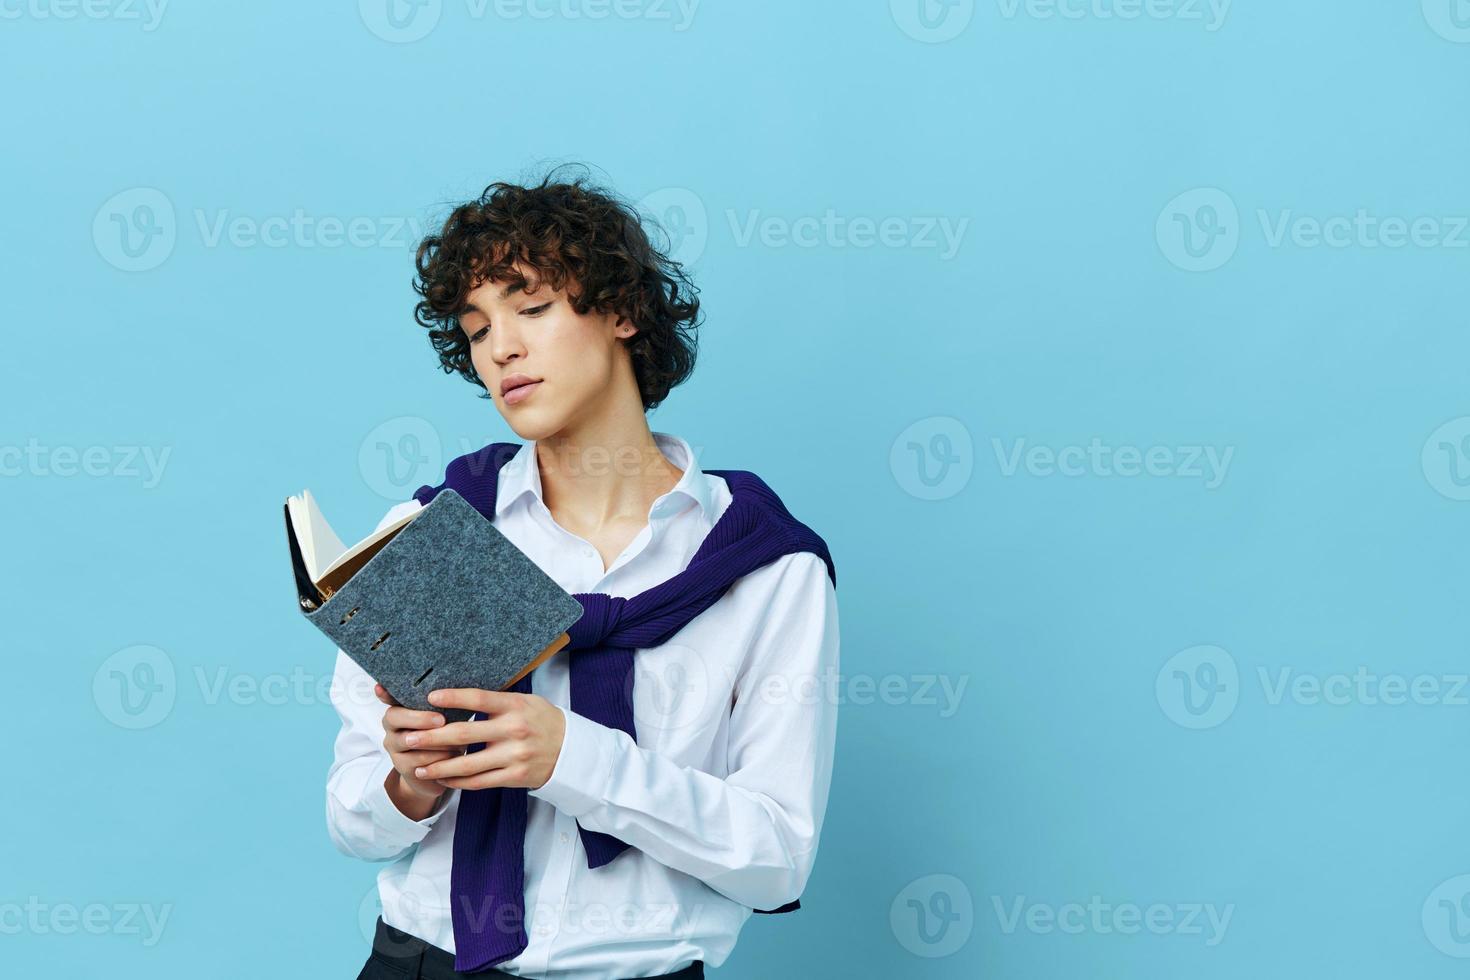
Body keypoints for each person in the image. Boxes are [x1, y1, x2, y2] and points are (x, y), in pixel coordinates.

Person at [325, 166, 840, 980]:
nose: (502, 349)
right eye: (475, 330)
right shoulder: (438, 532)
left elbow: (778, 859)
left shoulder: (764, 566)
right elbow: (352, 824)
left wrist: (575, 760)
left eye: (531, 308)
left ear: (624, 313)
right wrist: (408, 783)